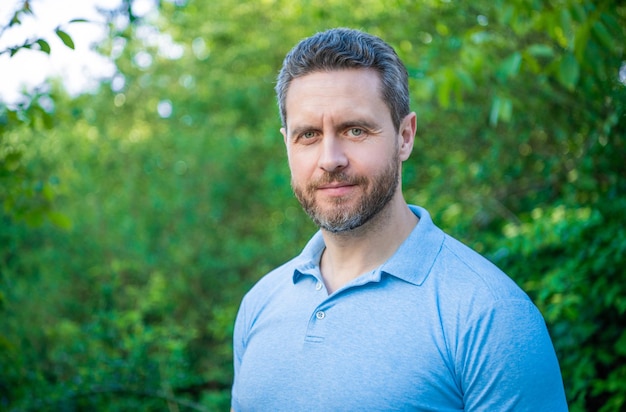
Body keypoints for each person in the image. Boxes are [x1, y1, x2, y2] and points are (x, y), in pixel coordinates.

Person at [231, 28, 568, 411]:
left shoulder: (491, 314)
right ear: (286, 145)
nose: (330, 159)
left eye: (355, 130)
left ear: (405, 136)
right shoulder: (260, 303)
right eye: (307, 135)